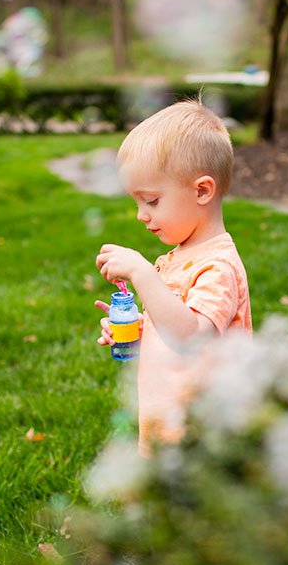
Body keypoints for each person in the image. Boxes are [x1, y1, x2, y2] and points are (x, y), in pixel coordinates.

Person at [94, 98, 253, 455]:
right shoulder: (179, 257)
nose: (140, 215)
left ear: (201, 190)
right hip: (169, 426)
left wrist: (142, 274)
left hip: (205, 436)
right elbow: (173, 325)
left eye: (150, 201)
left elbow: (192, 336)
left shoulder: (218, 267)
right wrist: (136, 328)